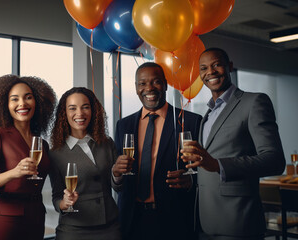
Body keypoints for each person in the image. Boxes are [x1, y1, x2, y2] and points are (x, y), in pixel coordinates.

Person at [181, 48, 286, 240]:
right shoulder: (207, 115)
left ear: (229, 67)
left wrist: (218, 165)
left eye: (216, 65)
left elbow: (275, 160)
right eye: (203, 68)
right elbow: (207, 166)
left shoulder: (254, 102)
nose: (210, 72)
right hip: (204, 222)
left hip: (239, 222)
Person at [112, 62, 202, 240]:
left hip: (175, 220)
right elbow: (118, 180)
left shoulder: (191, 121)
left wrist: (191, 181)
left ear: (166, 85)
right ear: (137, 88)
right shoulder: (124, 125)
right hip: (132, 220)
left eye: (156, 82)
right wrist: (115, 174)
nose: (149, 88)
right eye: (142, 83)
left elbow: (206, 171)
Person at [0, 75, 57, 240]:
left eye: (28, 97)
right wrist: (14, 172)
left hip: (37, 217)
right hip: (6, 219)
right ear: (5, 105)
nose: (22, 104)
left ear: (37, 102)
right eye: (14, 99)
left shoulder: (42, 143)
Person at [49, 87, 121, 240]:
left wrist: (117, 175)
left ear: (93, 111)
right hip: (74, 230)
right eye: (72, 108)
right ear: (64, 114)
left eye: (85, 107)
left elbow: (119, 187)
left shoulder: (106, 143)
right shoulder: (55, 153)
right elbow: (56, 198)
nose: (80, 113)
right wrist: (64, 203)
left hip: (110, 227)